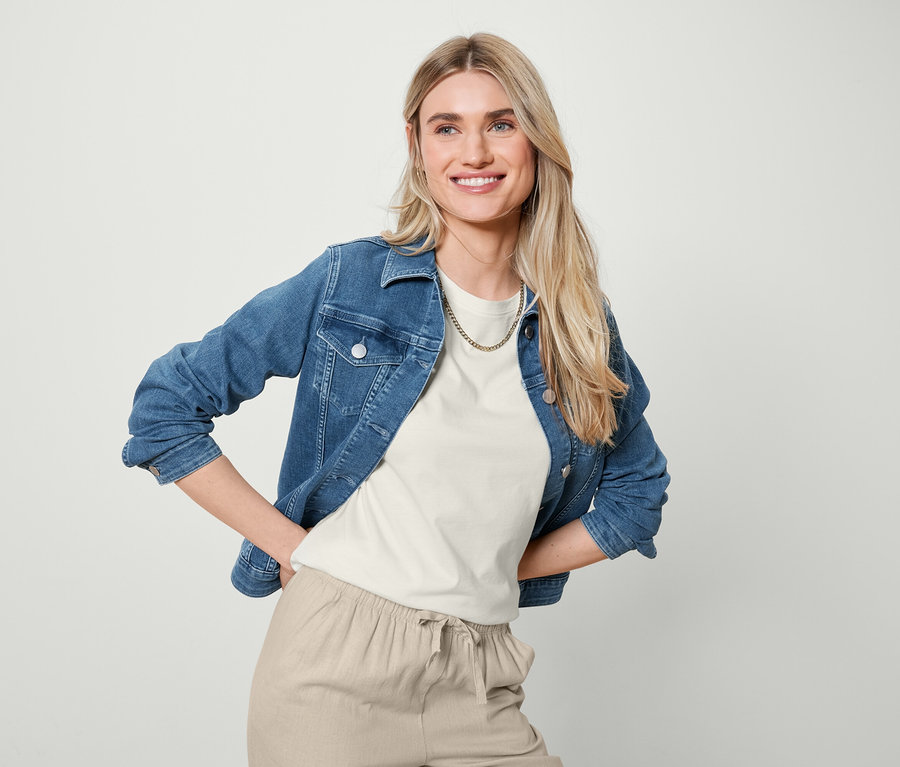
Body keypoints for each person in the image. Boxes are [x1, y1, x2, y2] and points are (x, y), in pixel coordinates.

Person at [123, 32, 669, 767]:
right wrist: (296, 548)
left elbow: (637, 495)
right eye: (447, 128)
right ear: (417, 146)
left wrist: (484, 565)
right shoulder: (352, 283)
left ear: (536, 143)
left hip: (482, 676)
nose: (474, 152)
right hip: (333, 668)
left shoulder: (578, 323)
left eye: (501, 124)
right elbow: (165, 407)